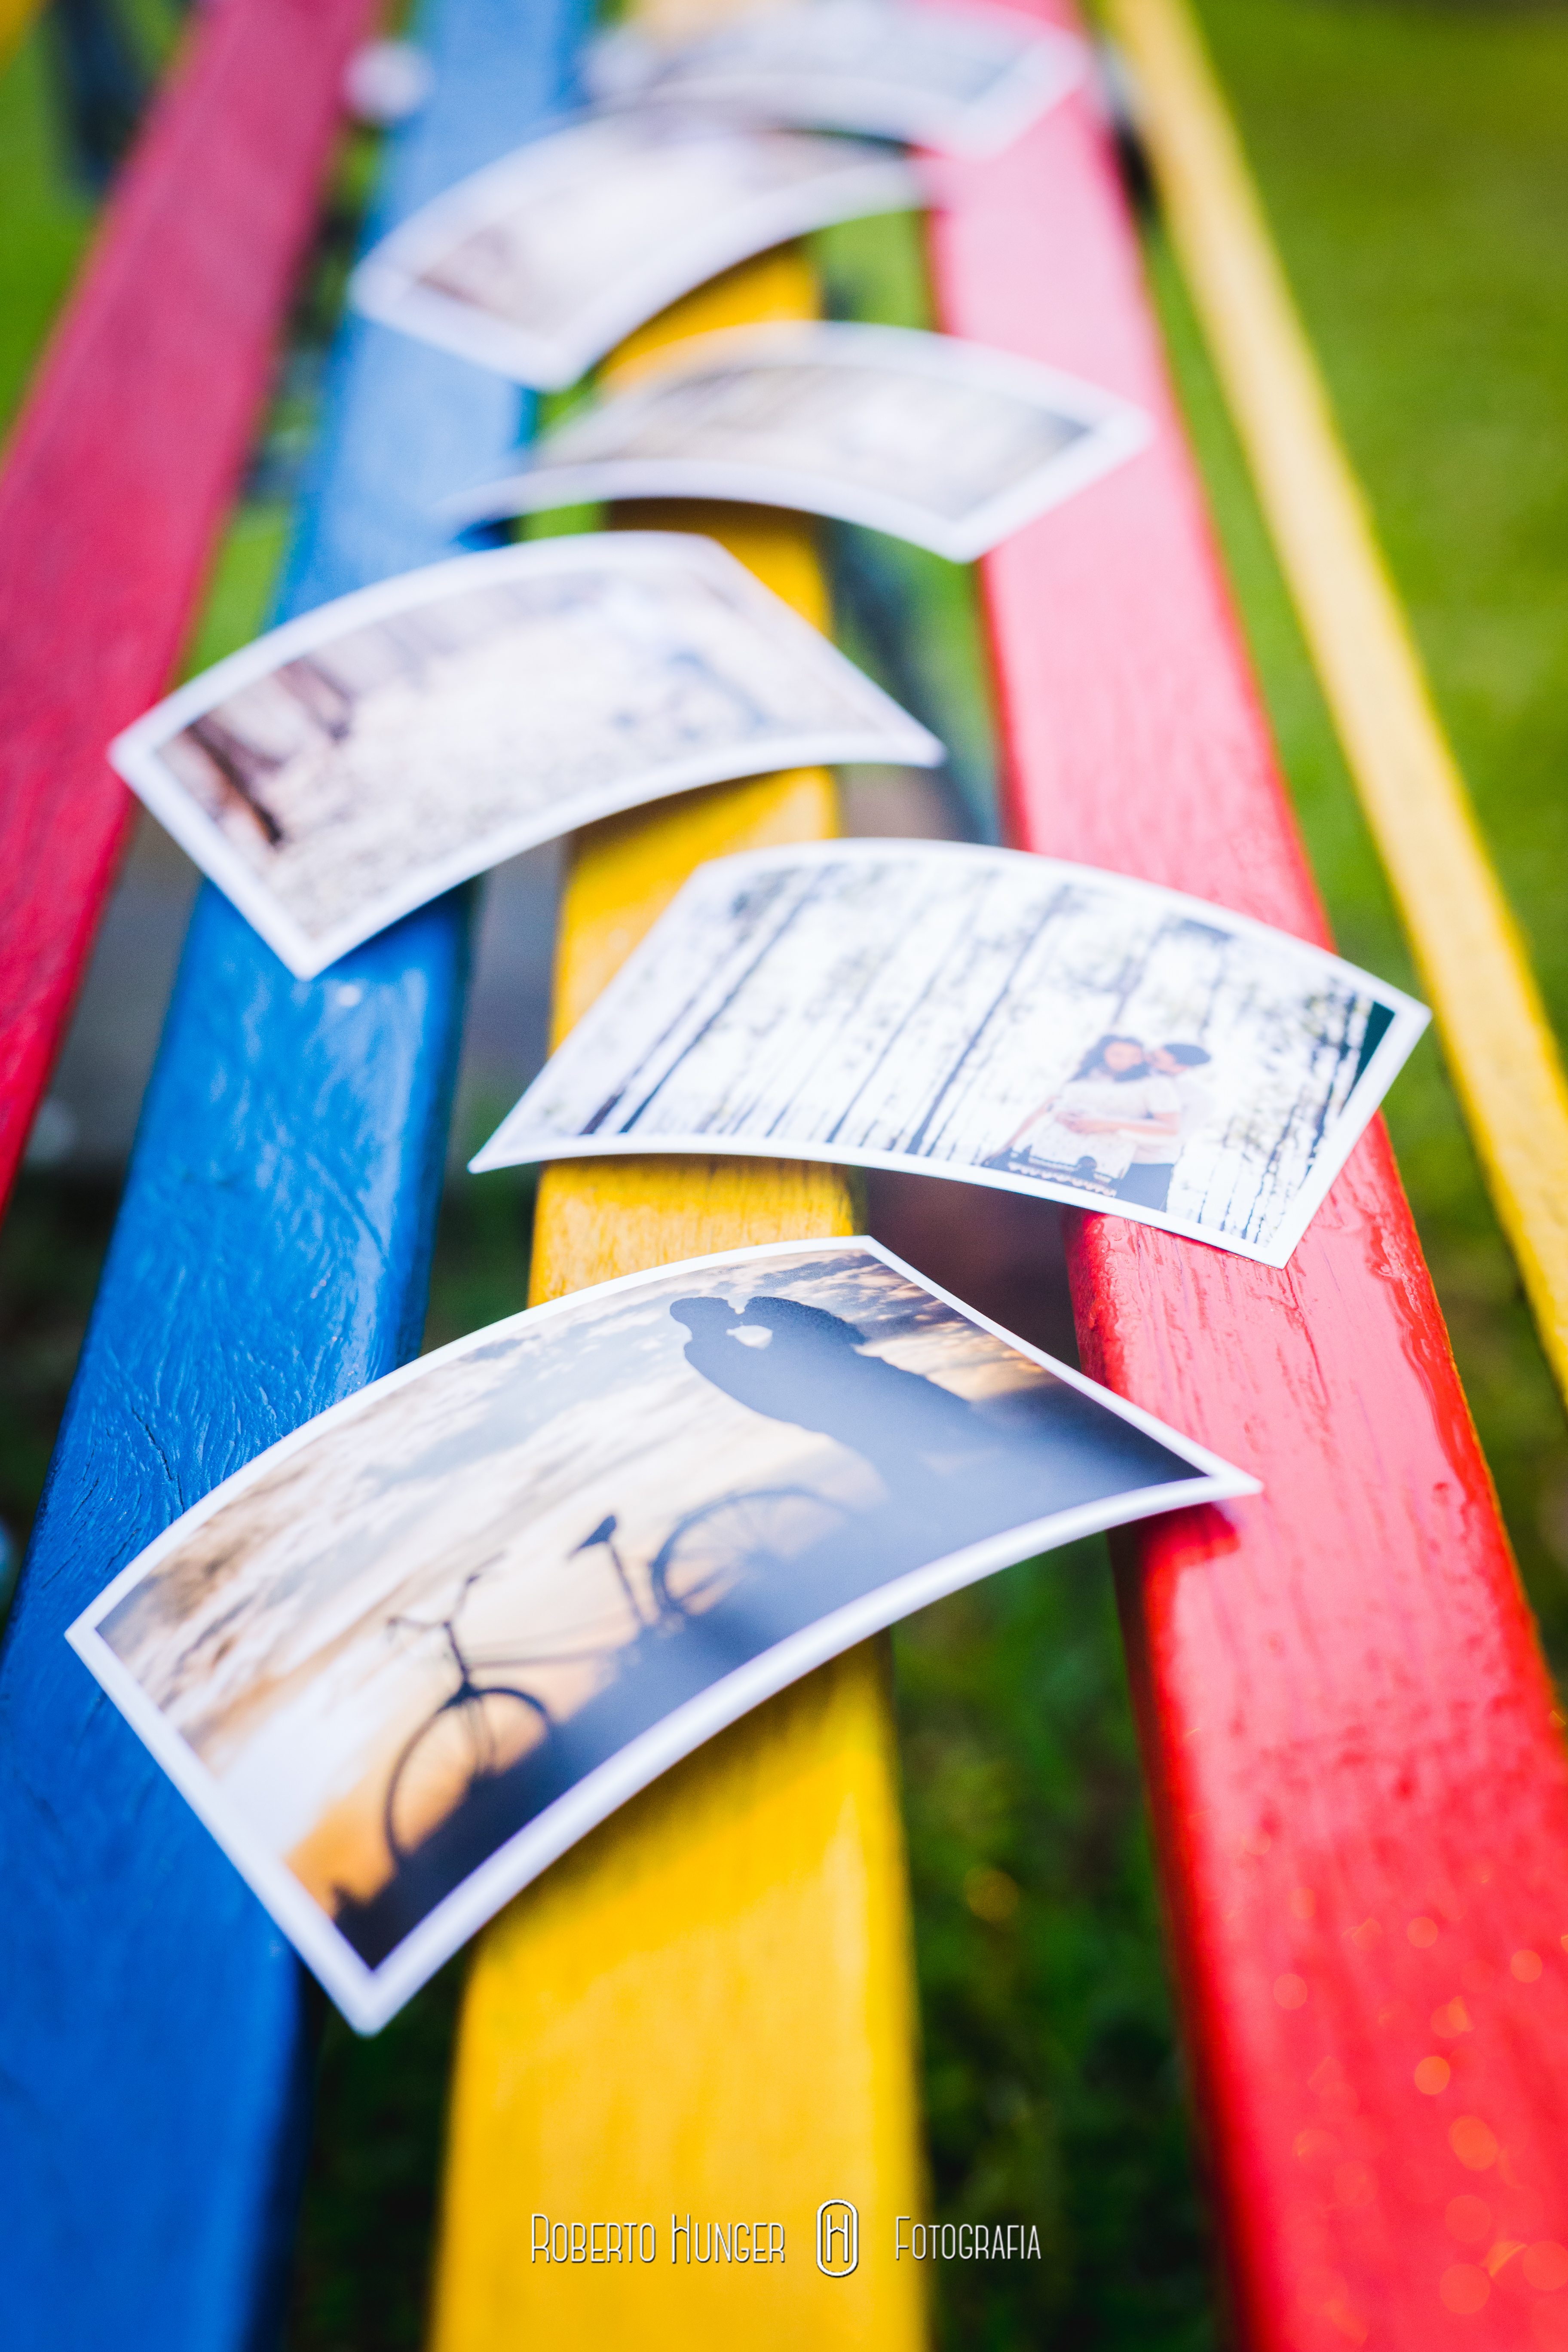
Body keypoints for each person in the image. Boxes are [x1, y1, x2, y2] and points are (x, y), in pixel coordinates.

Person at [1005, 1035, 1179, 1190]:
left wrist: (1105, 1123)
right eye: (1117, 1054)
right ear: (1103, 1052)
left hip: (1094, 1167)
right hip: (1037, 1153)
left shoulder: (1155, 1084)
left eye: (1134, 1056)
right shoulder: (1083, 1074)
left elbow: (1170, 1128)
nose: (1126, 1060)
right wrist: (1006, 1147)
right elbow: (1042, 1110)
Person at [1113, 1041, 1214, 1213]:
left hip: (1148, 1169)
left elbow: (1177, 1136)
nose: (1148, 1059)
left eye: (1157, 1060)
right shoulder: (1133, 1075)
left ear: (1181, 1067)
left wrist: (1114, 1129)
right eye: (1151, 1054)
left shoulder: (1200, 1098)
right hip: (1109, 1157)